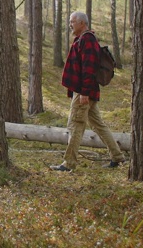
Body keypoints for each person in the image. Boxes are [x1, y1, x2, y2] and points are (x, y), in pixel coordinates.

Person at [50, 12, 125, 172]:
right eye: (70, 21)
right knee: (98, 125)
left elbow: (89, 69)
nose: (70, 24)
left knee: (75, 125)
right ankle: (117, 157)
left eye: (73, 21)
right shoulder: (83, 39)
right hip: (86, 91)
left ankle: (68, 164)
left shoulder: (87, 40)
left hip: (84, 91)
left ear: (82, 23)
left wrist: (84, 92)